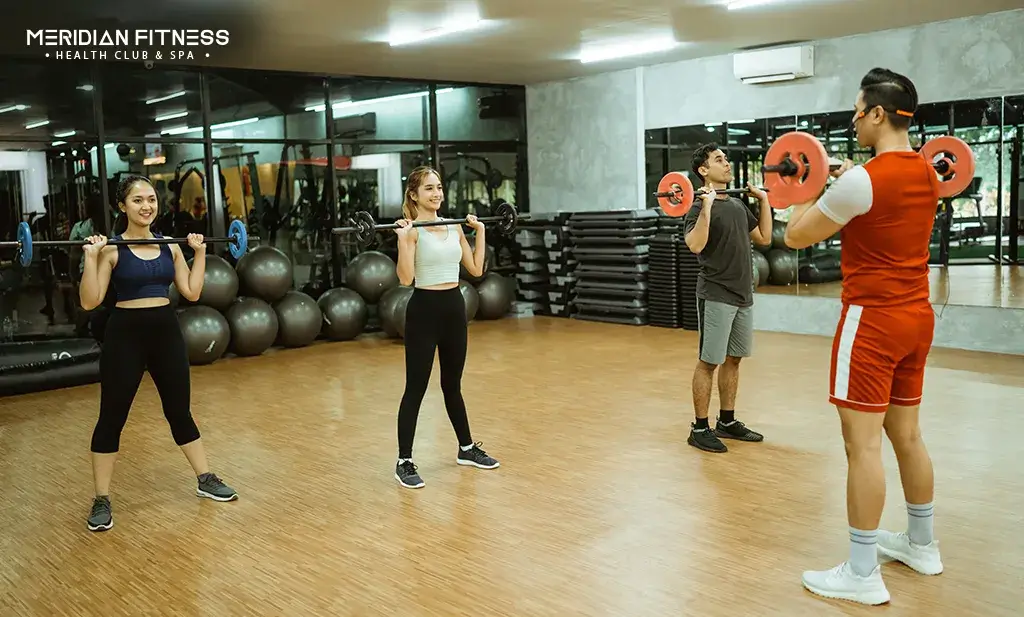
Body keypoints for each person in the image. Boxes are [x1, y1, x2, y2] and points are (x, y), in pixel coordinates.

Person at [783, 68, 943, 605]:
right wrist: (846, 180)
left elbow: (795, 235)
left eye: (857, 110)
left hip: (871, 322)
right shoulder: (928, 171)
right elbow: (884, 206)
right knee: (909, 436)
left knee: (863, 445)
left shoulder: (861, 182)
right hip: (916, 318)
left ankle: (861, 572)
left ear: (877, 113)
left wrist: (809, 185)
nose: (853, 119)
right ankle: (922, 545)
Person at [79, 174, 237, 532]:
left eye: (151, 199)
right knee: (112, 417)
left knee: (179, 410)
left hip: (166, 332)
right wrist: (90, 257)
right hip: (125, 336)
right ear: (122, 206)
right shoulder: (111, 249)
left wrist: (200, 253)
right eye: (137, 200)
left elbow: (192, 292)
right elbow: (90, 301)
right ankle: (101, 498)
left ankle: (205, 478)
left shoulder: (172, 246)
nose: (146, 206)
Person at [392, 165, 499, 489]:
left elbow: (476, 269)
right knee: (416, 388)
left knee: (452, 384)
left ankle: (466, 448)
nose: (436, 193)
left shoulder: (453, 226)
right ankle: (404, 462)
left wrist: (480, 231)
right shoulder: (412, 230)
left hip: (454, 309)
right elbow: (406, 279)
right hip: (424, 312)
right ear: (414, 195)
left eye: (438, 187)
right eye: (429, 188)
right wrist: (402, 241)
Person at [681, 143, 774, 453]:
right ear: (703, 170)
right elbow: (696, 245)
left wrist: (763, 201)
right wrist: (707, 205)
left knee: (734, 359)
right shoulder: (697, 207)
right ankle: (699, 428)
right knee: (709, 362)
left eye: (726, 159)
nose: (727, 163)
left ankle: (727, 421)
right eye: (719, 160)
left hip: (742, 293)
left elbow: (764, 238)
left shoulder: (736, 205)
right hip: (716, 293)